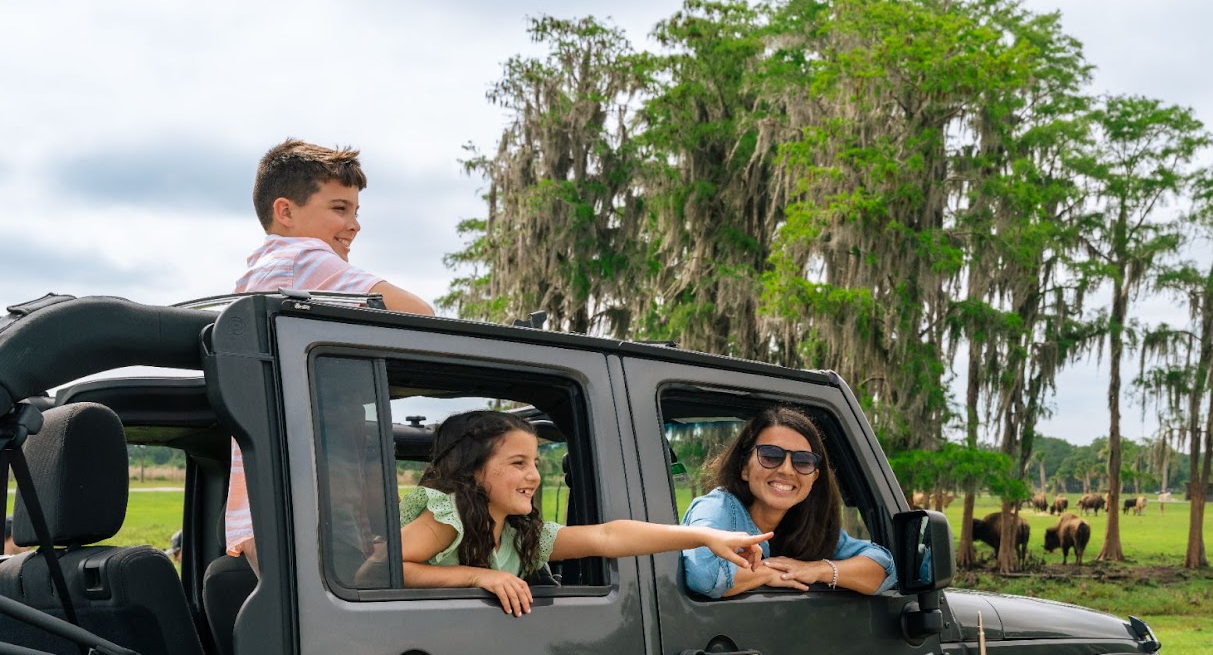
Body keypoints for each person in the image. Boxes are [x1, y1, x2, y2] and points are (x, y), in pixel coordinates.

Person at [226, 139, 435, 569]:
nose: (354, 225)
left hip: (260, 507)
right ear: (285, 212)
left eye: (356, 212)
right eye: (339, 209)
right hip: (310, 500)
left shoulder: (258, 272)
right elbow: (419, 315)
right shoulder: (301, 258)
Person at [401, 411, 771, 616]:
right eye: (518, 462)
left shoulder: (517, 533)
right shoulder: (445, 518)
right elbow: (382, 569)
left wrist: (706, 536)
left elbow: (607, 537)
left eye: (534, 461)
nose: (533, 475)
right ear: (473, 470)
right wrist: (476, 577)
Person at [680, 406, 895, 598]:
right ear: (744, 468)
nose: (786, 469)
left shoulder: (808, 527)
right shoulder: (716, 508)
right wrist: (769, 572)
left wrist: (818, 569)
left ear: (814, 477)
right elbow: (703, 576)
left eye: (802, 461)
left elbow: (884, 568)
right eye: (771, 455)